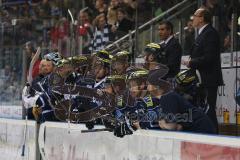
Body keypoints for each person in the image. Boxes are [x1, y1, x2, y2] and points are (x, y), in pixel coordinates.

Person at [182, 8, 223, 132]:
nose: (192, 19)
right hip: (201, 79)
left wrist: (191, 62)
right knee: (203, 110)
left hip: (208, 79)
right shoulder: (201, 33)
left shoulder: (210, 33)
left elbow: (209, 57)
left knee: (208, 110)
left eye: (195, 16)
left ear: (202, 18)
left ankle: (214, 137)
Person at [147, 69, 216, 134]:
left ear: (156, 86)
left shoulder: (168, 96)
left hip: (203, 132)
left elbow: (171, 127)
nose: (146, 87)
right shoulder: (165, 97)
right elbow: (177, 127)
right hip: (198, 131)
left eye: (148, 84)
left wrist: (163, 124)